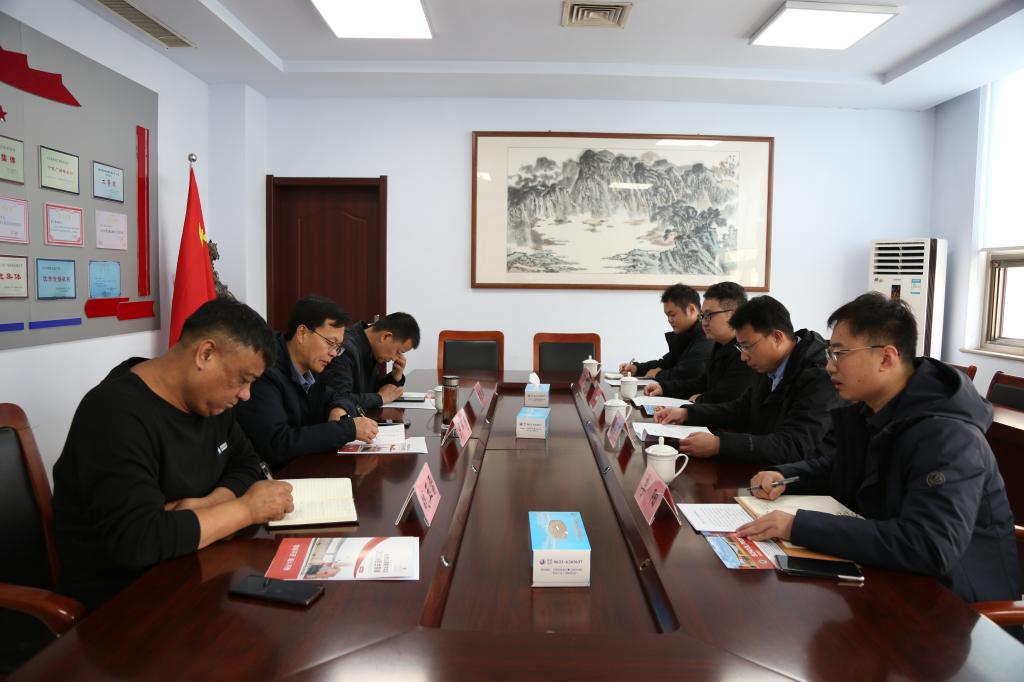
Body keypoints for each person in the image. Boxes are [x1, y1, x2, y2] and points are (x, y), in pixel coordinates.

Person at [737, 293, 1020, 606]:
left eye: (839, 354)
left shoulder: (948, 435)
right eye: (830, 353)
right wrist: (785, 475)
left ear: (887, 358)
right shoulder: (875, 409)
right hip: (892, 579)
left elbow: (928, 545)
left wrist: (798, 526)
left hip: (957, 603)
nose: (829, 367)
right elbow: (840, 467)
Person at [51, 298, 295, 611]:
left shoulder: (211, 404)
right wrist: (246, 510)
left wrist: (208, 505)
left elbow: (248, 463)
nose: (245, 395)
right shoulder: (114, 413)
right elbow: (139, 540)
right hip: (121, 604)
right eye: (243, 380)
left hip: (194, 573)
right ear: (205, 354)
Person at [654, 295, 842, 463]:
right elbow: (741, 409)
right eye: (740, 347)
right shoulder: (770, 364)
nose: (743, 357)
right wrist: (687, 413)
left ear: (777, 337)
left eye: (747, 346)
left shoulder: (820, 376)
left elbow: (792, 445)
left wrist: (720, 445)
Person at [234, 295, 379, 473]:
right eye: (330, 343)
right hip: (273, 477)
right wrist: (347, 429)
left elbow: (338, 395)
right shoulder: (265, 371)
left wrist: (339, 408)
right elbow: (278, 443)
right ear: (302, 333)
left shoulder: (313, 367)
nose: (334, 353)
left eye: (338, 347)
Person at [644, 281, 757, 404]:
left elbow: (729, 397)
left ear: (733, 316)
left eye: (709, 315)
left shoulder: (746, 350)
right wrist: (664, 388)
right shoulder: (720, 344)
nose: (704, 322)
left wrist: (700, 399)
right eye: (702, 316)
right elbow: (701, 383)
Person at [322, 312, 420, 411]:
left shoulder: (369, 345)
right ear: (385, 337)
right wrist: (380, 398)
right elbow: (339, 399)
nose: (395, 359)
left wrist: (394, 377)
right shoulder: (345, 350)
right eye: (398, 352)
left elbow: (370, 390)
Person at [619, 283, 713, 381]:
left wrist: (658, 375)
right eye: (667, 316)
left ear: (691, 309)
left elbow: (690, 373)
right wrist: (637, 368)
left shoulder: (706, 336)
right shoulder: (686, 335)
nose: (669, 320)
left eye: (672, 315)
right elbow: (665, 363)